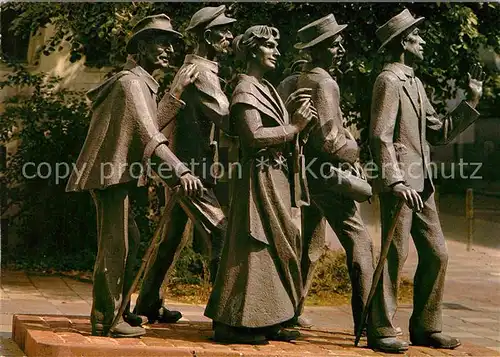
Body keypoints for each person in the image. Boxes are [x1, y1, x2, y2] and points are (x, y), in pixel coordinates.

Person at [66, 14, 201, 337]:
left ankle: (120, 310)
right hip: (111, 175)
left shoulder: (141, 83)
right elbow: (150, 136)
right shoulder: (130, 83)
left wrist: (176, 90)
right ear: (141, 47)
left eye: (172, 45)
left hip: (120, 174)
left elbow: (150, 124)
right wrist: (179, 168)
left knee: (131, 241)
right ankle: (106, 320)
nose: (169, 50)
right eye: (161, 43)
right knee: (116, 247)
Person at [368, 8, 485, 353]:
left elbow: (438, 133)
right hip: (402, 186)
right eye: (418, 38)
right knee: (394, 255)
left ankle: (426, 326)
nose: (423, 44)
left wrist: (472, 100)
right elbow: (379, 136)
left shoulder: (415, 83)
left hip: (423, 185)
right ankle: (381, 329)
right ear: (404, 42)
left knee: (437, 254)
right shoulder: (388, 80)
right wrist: (395, 182)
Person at [204, 25, 315, 345]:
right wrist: (294, 126)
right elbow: (252, 138)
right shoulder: (245, 90)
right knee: (254, 247)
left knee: (278, 246)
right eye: (269, 46)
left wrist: (298, 124)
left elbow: (281, 131)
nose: (277, 52)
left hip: (275, 177)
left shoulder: (265, 87)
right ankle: (233, 322)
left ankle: (269, 317)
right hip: (258, 180)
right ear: (252, 51)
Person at [133, 5, 236, 324]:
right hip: (186, 172)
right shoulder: (201, 72)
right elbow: (229, 118)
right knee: (223, 231)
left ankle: (148, 302)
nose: (231, 36)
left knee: (171, 239)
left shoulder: (207, 69)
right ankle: (227, 314)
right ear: (208, 36)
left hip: (186, 167)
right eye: (224, 31)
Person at [277, 14, 374, 333]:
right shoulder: (325, 82)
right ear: (318, 50)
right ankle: (370, 322)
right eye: (334, 44)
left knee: (310, 247)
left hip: (307, 176)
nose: (341, 47)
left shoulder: (298, 79)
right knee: (360, 241)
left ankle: (292, 309)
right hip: (330, 176)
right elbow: (332, 141)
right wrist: (358, 148)